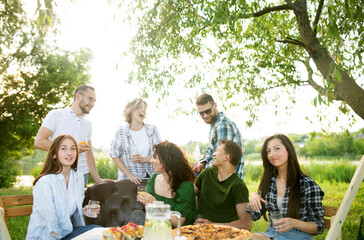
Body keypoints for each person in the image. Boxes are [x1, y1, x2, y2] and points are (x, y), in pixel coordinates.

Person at [247, 134, 325, 240]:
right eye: (268, 151)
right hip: (272, 234)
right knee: (246, 238)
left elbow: (319, 226)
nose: (271, 154)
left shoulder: (307, 184)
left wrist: (294, 223)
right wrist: (253, 197)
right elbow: (255, 216)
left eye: (277, 149)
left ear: (289, 151)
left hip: (299, 236)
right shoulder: (269, 183)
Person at [34, 85, 111, 187]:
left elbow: (89, 153)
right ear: (78, 96)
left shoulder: (88, 124)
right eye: (90, 99)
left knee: (79, 203)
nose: (92, 104)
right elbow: (39, 142)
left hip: (82, 175)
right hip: (59, 173)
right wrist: (72, 149)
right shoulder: (56, 115)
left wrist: (98, 180)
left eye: (94, 101)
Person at [26, 135, 100, 240]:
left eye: (73, 148)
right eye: (63, 148)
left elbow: (68, 210)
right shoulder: (45, 183)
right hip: (47, 236)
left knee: (101, 231)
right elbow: (49, 223)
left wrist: (84, 211)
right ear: (54, 154)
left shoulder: (78, 177)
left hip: (67, 232)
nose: (69, 153)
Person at [194, 140, 252, 230]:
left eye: (217, 151)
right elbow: (189, 193)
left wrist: (213, 225)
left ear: (226, 156)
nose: (214, 154)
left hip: (224, 235)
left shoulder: (238, 186)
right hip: (199, 231)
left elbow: (246, 224)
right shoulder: (207, 173)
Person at [137, 141, 196, 227]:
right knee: (137, 215)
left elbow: (177, 222)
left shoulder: (185, 186)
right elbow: (150, 213)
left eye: (155, 157)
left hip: (178, 232)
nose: (150, 161)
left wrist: (155, 203)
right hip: (158, 226)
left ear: (167, 160)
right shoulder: (153, 180)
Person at [192, 93, 245, 179]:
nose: (205, 115)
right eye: (201, 113)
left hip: (227, 185)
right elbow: (211, 151)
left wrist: (202, 170)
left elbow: (221, 160)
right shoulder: (215, 125)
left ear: (215, 105)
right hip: (218, 179)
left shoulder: (222, 125)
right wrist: (202, 163)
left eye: (208, 111)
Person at [110, 98, 161, 184]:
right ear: (131, 110)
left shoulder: (152, 130)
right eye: (139, 107)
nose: (143, 110)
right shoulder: (121, 131)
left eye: (145, 108)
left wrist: (143, 159)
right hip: (127, 181)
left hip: (151, 179)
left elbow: (160, 153)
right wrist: (129, 175)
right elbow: (114, 155)